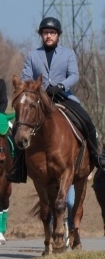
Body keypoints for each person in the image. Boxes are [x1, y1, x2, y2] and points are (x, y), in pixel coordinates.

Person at [7, 16, 105, 182]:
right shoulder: (33, 55)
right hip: (40, 99)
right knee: (19, 126)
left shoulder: (68, 54)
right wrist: (32, 88)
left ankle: (96, 156)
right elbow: (26, 76)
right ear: (41, 35)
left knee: (87, 120)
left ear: (58, 35)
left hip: (64, 97)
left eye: (52, 33)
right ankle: (18, 167)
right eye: (45, 33)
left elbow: (74, 75)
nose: (49, 36)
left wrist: (61, 86)